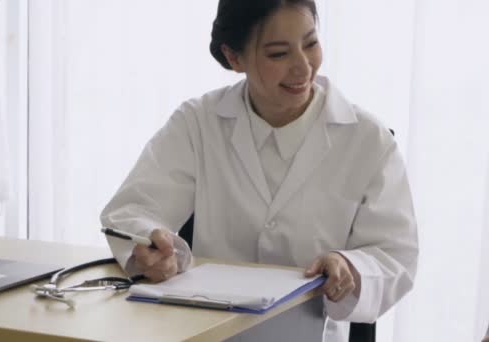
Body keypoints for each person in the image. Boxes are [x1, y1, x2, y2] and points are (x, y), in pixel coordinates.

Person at [100, 0, 419, 341]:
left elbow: (395, 256)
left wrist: (349, 267)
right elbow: (130, 213)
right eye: (279, 54)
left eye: (310, 43)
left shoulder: (368, 140)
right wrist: (151, 246)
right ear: (234, 58)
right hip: (206, 330)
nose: (302, 67)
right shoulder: (197, 123)